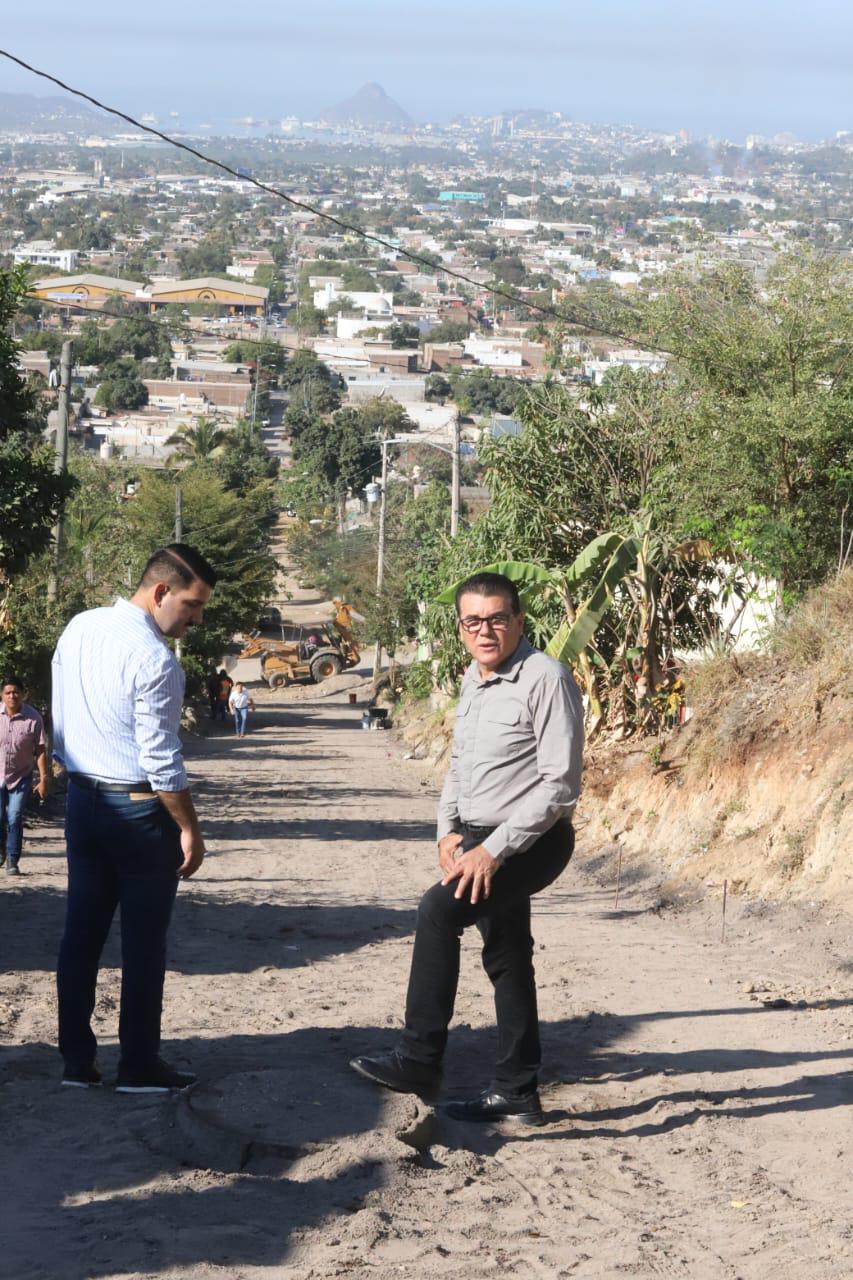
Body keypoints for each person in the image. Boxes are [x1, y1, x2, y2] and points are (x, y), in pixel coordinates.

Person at [351, 571, 584, 1126]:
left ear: (519, 621)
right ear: (460, 629)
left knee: (437, 912)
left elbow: (560, 784)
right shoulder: (473, 680)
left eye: (498, 618)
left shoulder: (545, 678)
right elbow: (459, 764)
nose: (486, 630)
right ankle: (518, 1091)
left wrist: (493, 852)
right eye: (473, 621)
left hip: (532, 841)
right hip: (479, 838)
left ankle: (419, 1059)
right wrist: (448, 830)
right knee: (508, 957)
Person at [52, 543, 216, 1093]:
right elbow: (161, 760)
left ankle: (76, 1063)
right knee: (144, 944)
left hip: (81, 802)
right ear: (161, 591)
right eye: (192, 606)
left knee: (81, 935)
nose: (195, 619)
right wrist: (190, 827)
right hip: (139, 811)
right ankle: (139, 1066)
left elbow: (60, 714)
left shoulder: (80, 626)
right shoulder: (155, 659)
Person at [0, 675, 49, 876]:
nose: (12, 696)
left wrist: (44, 778)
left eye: (16, 692)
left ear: (23, 695)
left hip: (21, 776)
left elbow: (40, 751)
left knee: (15, 816)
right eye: (8, 692)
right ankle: (2, 848)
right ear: (2, 695)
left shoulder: (33, 718)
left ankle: (12, 859)